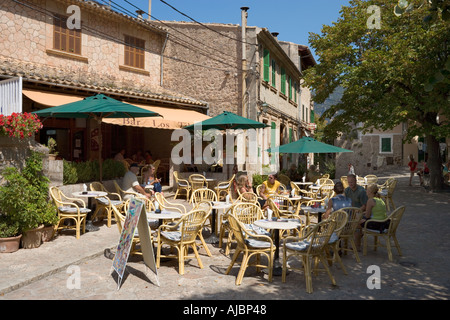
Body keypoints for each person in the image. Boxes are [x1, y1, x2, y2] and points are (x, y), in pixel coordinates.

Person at [355, 184, 389, 250]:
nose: (365, 191)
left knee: (357, 224)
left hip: (377, 224)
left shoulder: (370, 201)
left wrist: (360, 216)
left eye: (367, 190)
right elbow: (373, 212)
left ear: (370, 192)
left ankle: (357, 246)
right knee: (361, 221)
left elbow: (367, 216)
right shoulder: (380, 199)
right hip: (384, 223)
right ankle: (358, 240)